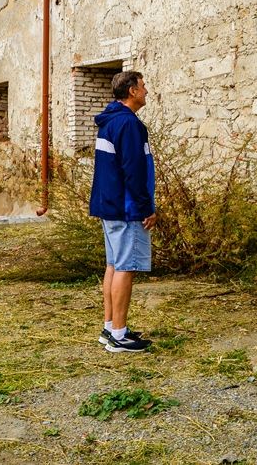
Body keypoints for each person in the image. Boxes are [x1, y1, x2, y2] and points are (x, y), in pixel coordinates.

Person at [89, 71, 155, 353]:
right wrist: (145, 207)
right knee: (125, 267)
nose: (146, 91)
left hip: (109, 206)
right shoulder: (129, 125)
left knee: (114, 265)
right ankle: (119, 335)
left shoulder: (110, 121)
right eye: (142, 86)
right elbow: (133, 171)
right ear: (131, 91)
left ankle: (110, 327)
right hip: (127, 209)